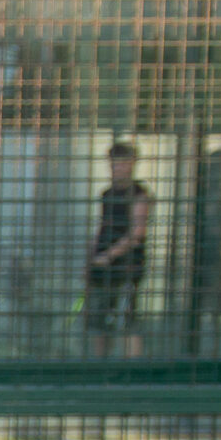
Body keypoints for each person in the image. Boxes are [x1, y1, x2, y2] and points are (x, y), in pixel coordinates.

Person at [84, 140, 153, 358]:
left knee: (127, 320)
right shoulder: (107, 194)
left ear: (132, 164)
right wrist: (92, 259)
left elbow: (137, 232)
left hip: (127, 266)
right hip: (102, 268)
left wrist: (109, 255)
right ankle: (99, 367)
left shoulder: (139, 194)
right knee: (98, 319)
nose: (118, 168)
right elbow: (101, 227)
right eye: (114, 164)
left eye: (123, 163)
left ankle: (132, 371)